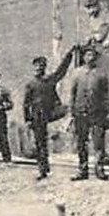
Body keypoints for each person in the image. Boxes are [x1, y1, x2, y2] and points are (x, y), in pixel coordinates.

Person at [22, 49, 74, 180]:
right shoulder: (31, 84)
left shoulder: (50, 80)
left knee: (68, 109)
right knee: (40, 143)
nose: (39, 68)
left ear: (44, 67)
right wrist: (27, 119)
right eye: (36, 66)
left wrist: (69, 55)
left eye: (41, 65)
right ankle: (43, 169)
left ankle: (44, 166)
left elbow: (61, 71)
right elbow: (26, 103)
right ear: (34, 67)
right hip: (37, 116)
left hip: (50, 113)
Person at [67, 44, 109, 180]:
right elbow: (72, 94)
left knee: (98, 142)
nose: (90, 58)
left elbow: (106, 95)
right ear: (83, 57)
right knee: (82, 142)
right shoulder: (77, 73)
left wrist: (106, 111)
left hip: (97, 113)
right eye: (87, 55)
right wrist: (72, 112)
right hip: (81, 112)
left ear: (96, 58)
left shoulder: (101, 74)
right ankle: (82, 169)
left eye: (92, 55)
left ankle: (99, 169)